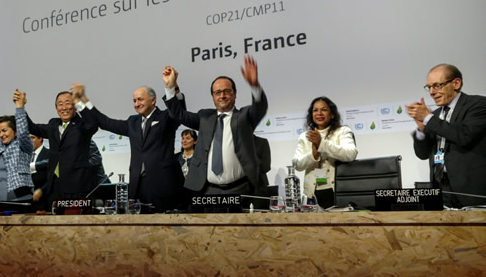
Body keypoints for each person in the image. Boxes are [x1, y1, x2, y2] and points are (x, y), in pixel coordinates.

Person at [162, 55, 269, 198]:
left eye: (227, 91)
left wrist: (254, 85)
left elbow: (259, 107)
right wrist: (170, 87)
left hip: (241, 189)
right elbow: (178, 115)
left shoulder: (244, 116)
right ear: (213, 96)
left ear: (234, 94)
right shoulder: (205, 117)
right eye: (217, 92)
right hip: (208, 190)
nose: (222, 96)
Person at [72, 83, 185, 212]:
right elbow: (104, 122)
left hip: (163, 185)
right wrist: (82, 100)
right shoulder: (133, 122)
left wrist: (172, 87)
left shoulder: (166, 117)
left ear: (153, 100)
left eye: (140, 99)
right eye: (134, 101)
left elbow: (179, 111)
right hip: (138, 188)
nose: (137, 104)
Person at [406, 64, 486, 207]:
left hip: (471, 190)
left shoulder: (478, 105)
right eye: (428, 87)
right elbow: (423, 154)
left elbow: (463, 136)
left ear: (456, 83)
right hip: (441, 189)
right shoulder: (434, 116)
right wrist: (421, 129)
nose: (431, 92)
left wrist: (428, 118)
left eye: (437, 86)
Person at [26, 90, 99, 207]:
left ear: (74, 106)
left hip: (77, 187)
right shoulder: (53, 124)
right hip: (55, 188)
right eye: (60, 104)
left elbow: (93, 124)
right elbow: (33, 128)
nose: (64, 107)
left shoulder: (82, 125)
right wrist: (21, 107)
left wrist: (79, 101)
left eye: (68, 103)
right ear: (56, 108)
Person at [292, 97, 357, 209]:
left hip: (335, 191)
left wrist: (322, 144)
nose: (319, 113)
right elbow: (297, 164)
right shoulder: (305, 136)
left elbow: (351, 154)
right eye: (315, 110)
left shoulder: (342, 131)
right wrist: (313, 155)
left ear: (332, 114)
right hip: (312, 194)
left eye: (324, 110)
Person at [29, 134, 49, 211]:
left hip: (44, 201)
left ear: (40, 138)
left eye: (32, 138)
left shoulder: (49, 154)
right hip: (26, 202)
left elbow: (53, 177)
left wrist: (42, 190)